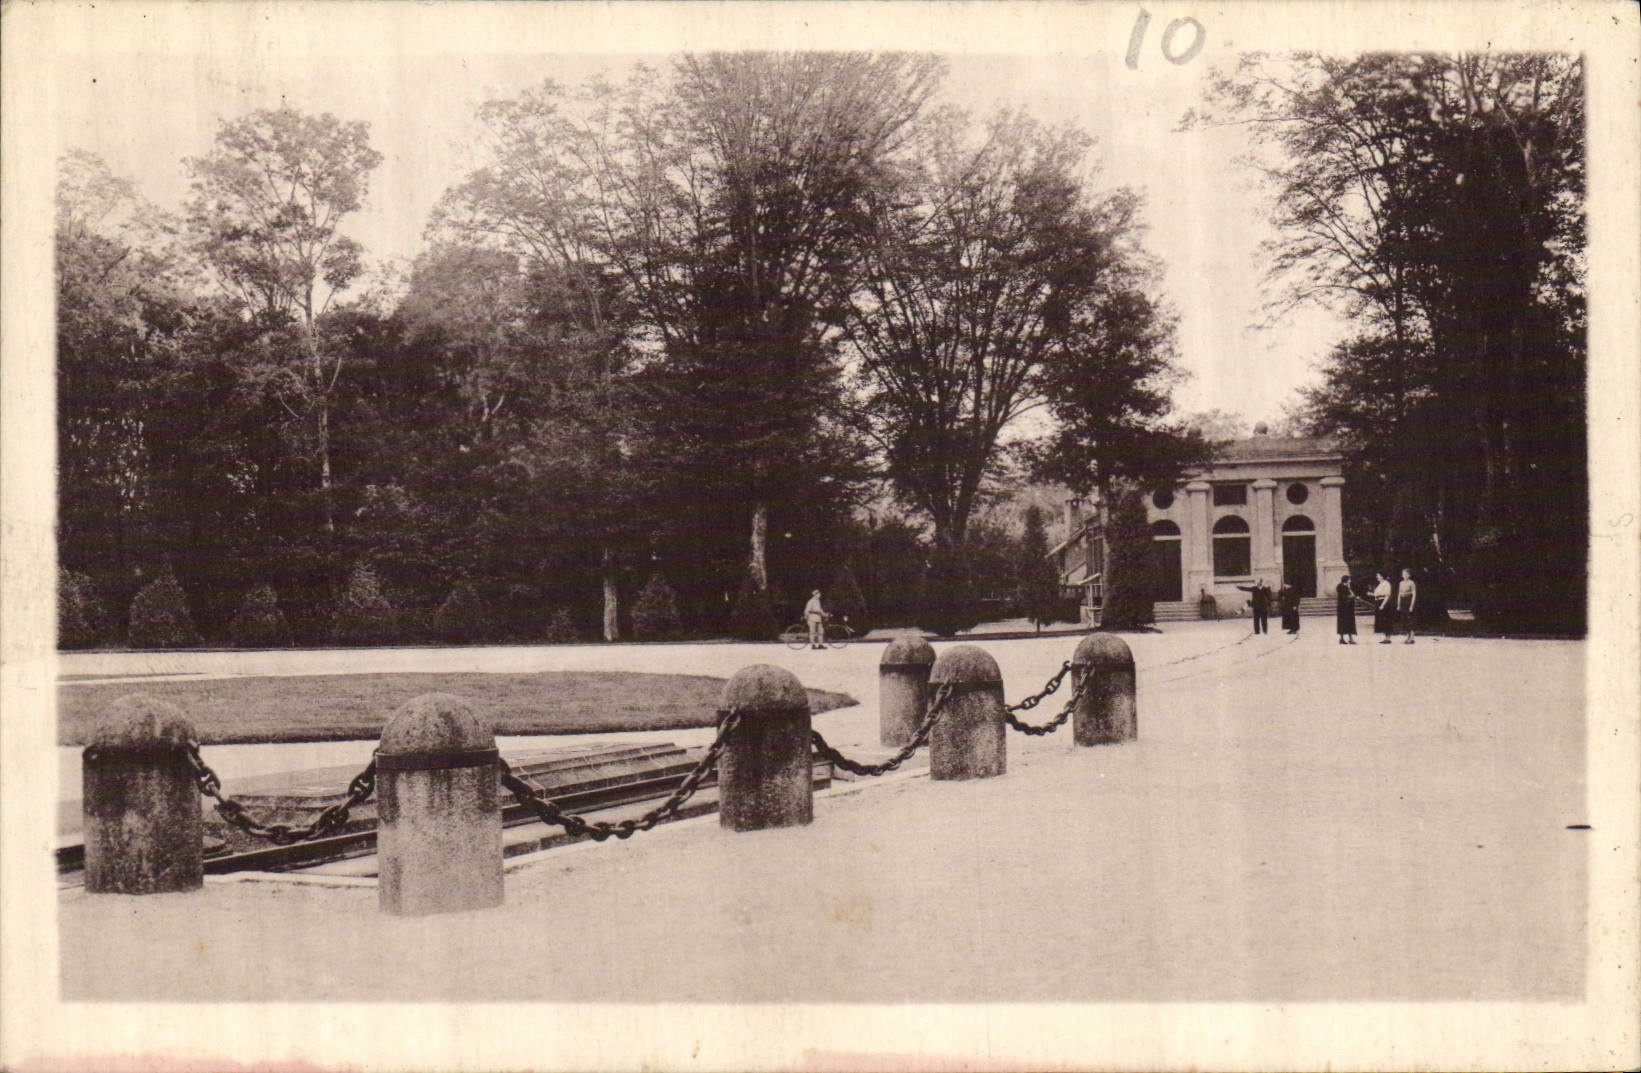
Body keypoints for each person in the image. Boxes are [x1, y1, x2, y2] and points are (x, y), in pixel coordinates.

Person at [1396, 568, 1418, 644]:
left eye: (1406, 574)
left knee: (1410, 619)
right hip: (1403, 600)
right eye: (1403, 574)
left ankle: (1412, 637)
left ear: (1409, 575)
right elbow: (1399, 594)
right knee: (1404, 619)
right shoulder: (1401, 583)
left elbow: (1414, 594)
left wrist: (1411, 605)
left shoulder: (1411, 583)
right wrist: (1398, 604)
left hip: (1409, 600)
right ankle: (1408, 636)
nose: (1404, 575)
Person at [1335, 574, 1358, 644]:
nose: (1350, 581)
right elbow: (1342, 596)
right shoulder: (1340, 587)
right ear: (1346, 580)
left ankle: (1350, 638)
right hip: (1343, 608)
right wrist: (1350, 596)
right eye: (1349, 580)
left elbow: (1353, 594)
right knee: (1342, 622)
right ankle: (1342, 638)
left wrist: (1353, 596)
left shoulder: (1349, 587)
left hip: (1349, 608)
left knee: (1350, 622)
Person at [1371, 572, 1393, 642]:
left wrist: (1382, 605)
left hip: (1383, 602)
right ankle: (1386, 638)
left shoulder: (1386, 583)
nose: (1377, 577)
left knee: (1386, 620)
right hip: (1378, 602)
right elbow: (1377, 594)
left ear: (1382, 576)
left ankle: (1388, 638)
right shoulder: (1380, 584)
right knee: (1382, 621)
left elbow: (1387, 595)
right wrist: (1371, 594)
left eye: (1378, 575)